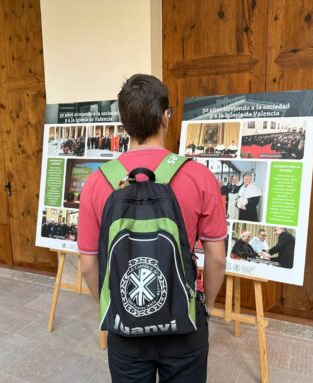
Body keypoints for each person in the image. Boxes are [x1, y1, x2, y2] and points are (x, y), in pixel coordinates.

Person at [77, 74, 226, 383]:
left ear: (122, 120)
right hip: (185, 322)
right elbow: (217, 257)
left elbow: (89, 265)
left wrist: (116, 305)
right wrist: (205, 308)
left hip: (126, 323)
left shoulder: (97, 182)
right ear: (166, 117)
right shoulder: (199, 176)